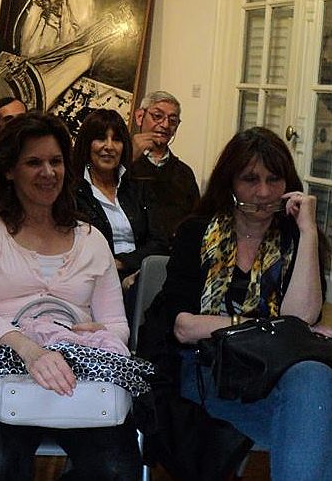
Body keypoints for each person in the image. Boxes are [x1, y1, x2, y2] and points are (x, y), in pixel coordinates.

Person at [0, 112, 142, 481]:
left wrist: (94, 339)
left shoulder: (91, 238)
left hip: (81, 374)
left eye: (56, 161)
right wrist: (33, 351)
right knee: (1, 463)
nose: (48, 172)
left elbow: (117, 325)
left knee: (118, 470)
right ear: (10, 170)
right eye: (34, 162)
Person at [138, 127, 331, 481]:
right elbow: (185, 327)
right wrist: (270, 328)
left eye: (274, 180)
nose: (264, 192)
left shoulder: (296, 238)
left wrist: (307, 232)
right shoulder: (197, 232)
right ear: (230, 182)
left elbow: (301, 317)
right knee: (316, 426)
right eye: (250, 179)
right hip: (207, 373)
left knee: (314, 379)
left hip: (273, 375)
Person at [72, 108, 168, 295]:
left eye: (116, 140)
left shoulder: (138, 188)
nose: (109, 146)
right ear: (87, 144)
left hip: (139, 276)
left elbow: (159, 242)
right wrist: (111, 268)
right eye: (101, 138)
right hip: (91, 280)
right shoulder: (73, 192)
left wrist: (122, 263)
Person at [130, 91, 200, 239]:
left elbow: (195, 221)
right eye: (157, 116)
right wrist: (130, 158)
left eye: (173, 121)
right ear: (140, 117)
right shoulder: (121, 162)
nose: (165, 125)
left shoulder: (184, 173)